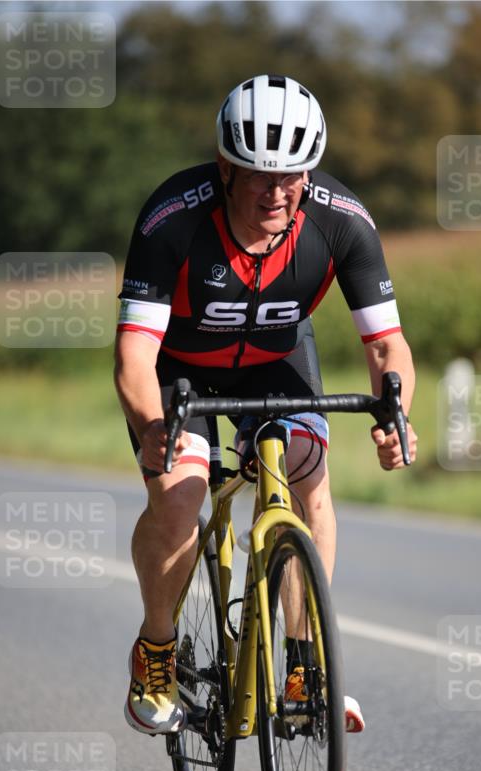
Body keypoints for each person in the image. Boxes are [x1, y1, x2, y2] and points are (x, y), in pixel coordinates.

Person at [115, 74, 417, 737]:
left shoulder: (341, 219)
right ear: (225, 167)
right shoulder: (173, 217)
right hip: (179, 371)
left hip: (277, 363)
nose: (276, 191)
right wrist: (151, 428)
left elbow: (387, 345)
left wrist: (396, 415)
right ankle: (158, 648)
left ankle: (305, 668)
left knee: (307, 476)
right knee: (178, 495)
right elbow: (135, 353)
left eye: (291, 176)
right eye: (257, 174)